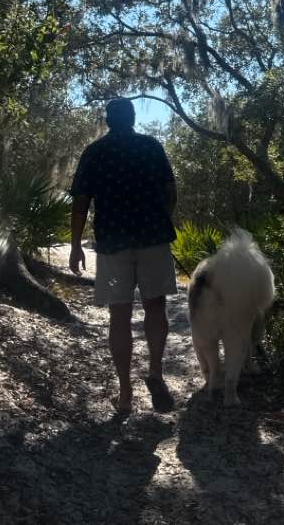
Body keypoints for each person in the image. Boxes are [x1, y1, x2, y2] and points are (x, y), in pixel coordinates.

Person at [69, 97, 178, 413]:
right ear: (132, 118)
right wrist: (161, 220)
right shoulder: (151, 147)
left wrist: (76, 245)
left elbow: (80, 203)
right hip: (153, 237)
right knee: (155, 308)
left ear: (107, 121)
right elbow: (171, 193)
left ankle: (126, 394)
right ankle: (155, 372)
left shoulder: (95, 152)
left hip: (113, 242)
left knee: (119, 315)